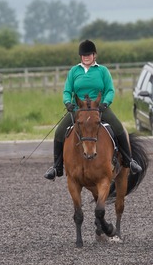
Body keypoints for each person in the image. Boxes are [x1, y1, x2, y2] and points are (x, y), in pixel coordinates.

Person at [44, 39, 142, 180]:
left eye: (89, 54)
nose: (86, 57)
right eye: (84, 55)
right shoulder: (74, 71)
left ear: (94, 55)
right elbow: (67, 91)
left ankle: (129, 161)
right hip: (78, 109)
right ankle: (56, 166)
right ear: (81, 56)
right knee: (59, 132)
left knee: (118, 127)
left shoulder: (102, 71)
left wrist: (106, 103)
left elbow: (110, 90)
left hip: (99, 108)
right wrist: (67, 103)